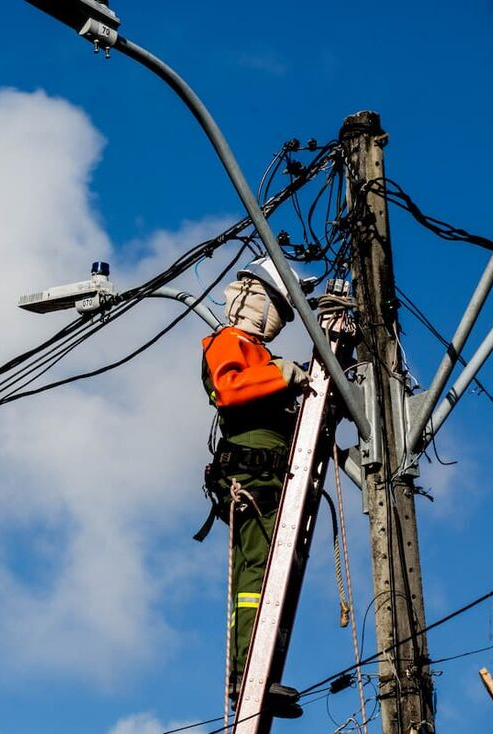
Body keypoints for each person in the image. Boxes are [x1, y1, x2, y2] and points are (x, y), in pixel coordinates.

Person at [195, 256, 310, 719]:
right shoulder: (231, 342)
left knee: (267, 574)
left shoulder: (262, 355)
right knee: (256, 578)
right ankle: (248, 673)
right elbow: (229, 388)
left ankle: (255, 671)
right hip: (252, 478)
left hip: (273, 475)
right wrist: (282, 376)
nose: (279, 321)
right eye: (279, 307)